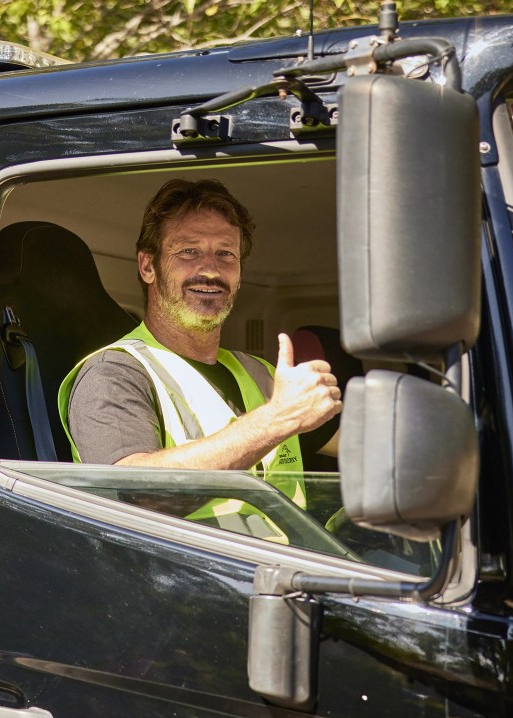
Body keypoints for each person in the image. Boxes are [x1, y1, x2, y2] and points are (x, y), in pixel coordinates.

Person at [56, 178, 342, 516]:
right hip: (188, 567)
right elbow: (138, 494)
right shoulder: (112, 374)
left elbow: (365, 451)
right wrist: (277, 420)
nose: (210, 269)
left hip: (291, 564)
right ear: (148, 266)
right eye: (189, 251)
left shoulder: (261, 374)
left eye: (226, 254)